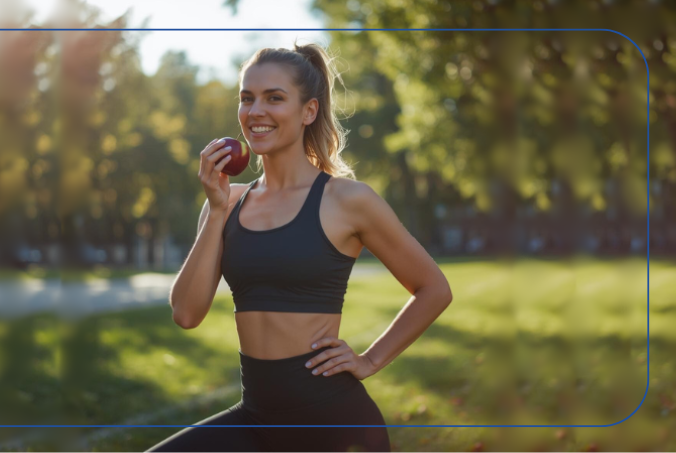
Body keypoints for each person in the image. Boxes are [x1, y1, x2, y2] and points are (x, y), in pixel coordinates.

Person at [148, 41, 453, 453]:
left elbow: (434, 288)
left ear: (308, 111)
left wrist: (370, 360)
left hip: (333, 423)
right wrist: (216, 211)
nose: (256, 111)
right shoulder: (226, 203)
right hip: (255, 419)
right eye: (247, 98)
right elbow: (186, 314)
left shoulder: (348, 200)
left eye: (274, 98)